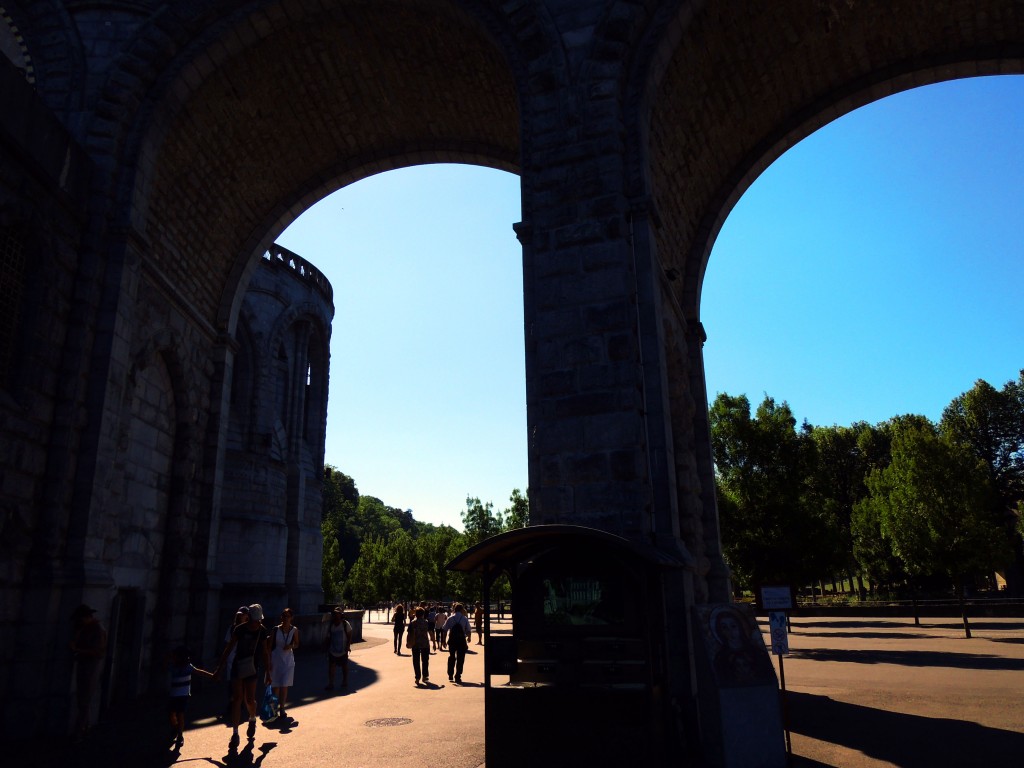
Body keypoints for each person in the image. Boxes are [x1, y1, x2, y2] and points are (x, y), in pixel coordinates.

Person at [218, 603, 271, 746]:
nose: (257, 623)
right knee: (237, 699)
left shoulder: (262, 631)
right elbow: (229, 648)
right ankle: (235, 733)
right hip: (237, 666)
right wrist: (220, 668)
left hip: (252, 667)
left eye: (259, 620)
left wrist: (268, 672)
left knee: (250, 699)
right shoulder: (239, 629)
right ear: (250, 618)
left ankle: (252, 718)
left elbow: (265, 652)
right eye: (255, 620)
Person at [70, 604, 107, 741]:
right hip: (86, 664)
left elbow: (98, 652)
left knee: (84, 699)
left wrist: (78, 650)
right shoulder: (89, 628)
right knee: (83, 698)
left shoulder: (97, 629)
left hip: (91, 666)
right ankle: (84, 727)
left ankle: (80, 730)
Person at [167, 645, 215, 747]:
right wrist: (212, 676)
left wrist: (211, 676)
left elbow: (199, 672)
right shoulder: (175, 666)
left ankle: (180, 734)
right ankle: (176, 728)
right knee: (172, 714)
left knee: (179, 714)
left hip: (182, 695)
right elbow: (200, 672)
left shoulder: (187, 667)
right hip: (174, 695)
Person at [270, 608, 300, 721]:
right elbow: (269, 646)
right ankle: (274, 710)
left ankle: (282, 708)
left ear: (291, 618)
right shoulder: (275, 630)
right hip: (276, 660)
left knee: (284, 685)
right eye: (284, 616)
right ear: (281, 617)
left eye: (288, 616)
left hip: (288, 661)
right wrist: (268, 662)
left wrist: (291, 646)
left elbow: (297, 644)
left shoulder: (294, 630)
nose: (285, 618)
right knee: (276, 687)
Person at [441, 603, 472, 684]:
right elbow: (468, 630)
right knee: (460, 658)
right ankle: (458, 675)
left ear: (454, 609)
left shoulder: (450, 618)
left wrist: (444, 641)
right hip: (461, 641)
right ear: (461, 609)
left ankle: (450, 674)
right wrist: (469, 637)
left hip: (452, 640)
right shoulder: (464, 618)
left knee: (452, 656)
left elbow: (445, 630)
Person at [325, 607, 353, 690]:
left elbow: (349, 635)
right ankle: (331, 683)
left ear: (341, 615)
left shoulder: (345, 624)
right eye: (335, 613)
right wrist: (325, 646)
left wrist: (348, 646)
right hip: (333, 649)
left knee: (344, 666)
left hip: (343, 650)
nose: (336, 615)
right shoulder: (331, 625)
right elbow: (328, 636)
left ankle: (345, 681)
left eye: (338, 614)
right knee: (331, 667)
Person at [408, 607, 432, 686]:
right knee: (425, 660)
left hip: (415, 643)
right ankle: (425, 676)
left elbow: (409, 633)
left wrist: (408, 642)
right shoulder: (426, 622)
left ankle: (417, 677)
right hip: (425, 643)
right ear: (423, 614)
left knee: (416, 661)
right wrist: (434, 642)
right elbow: (430, 632)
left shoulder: (412, 623)